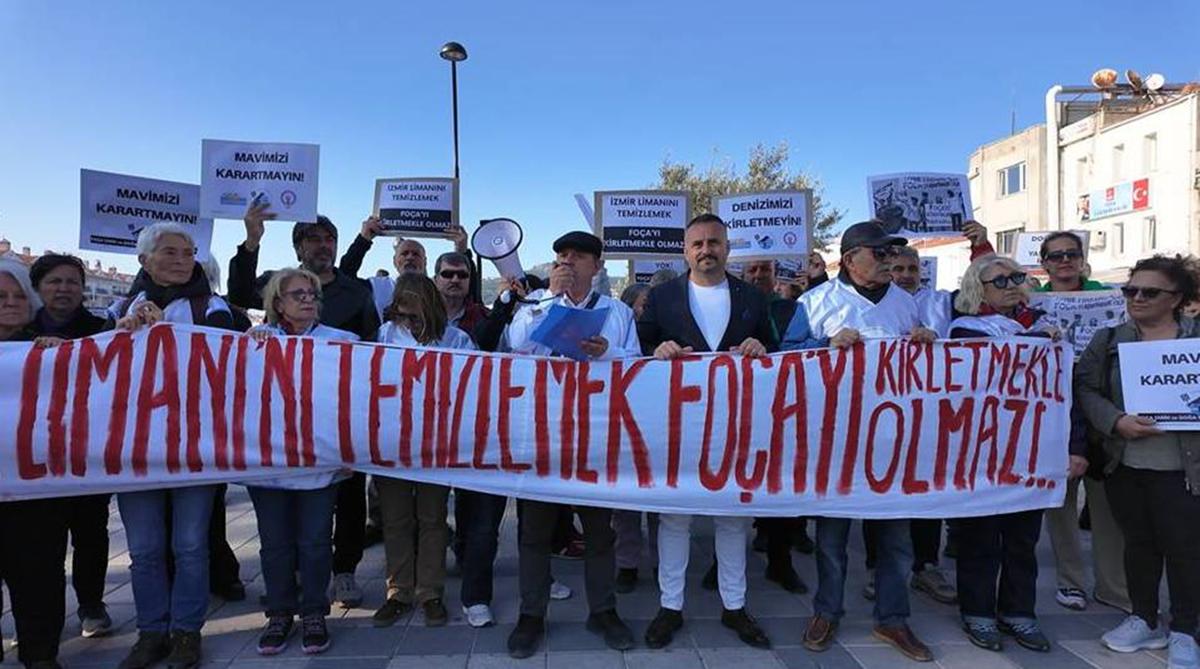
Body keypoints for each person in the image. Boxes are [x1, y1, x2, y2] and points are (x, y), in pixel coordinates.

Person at [791, 220, 936, 663]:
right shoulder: (815, 301)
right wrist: (823, 343)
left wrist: (928, 342)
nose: (890, 260)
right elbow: (786, 356)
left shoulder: (906, 303)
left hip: (893, 440)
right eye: (879, 252)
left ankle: (892, 617)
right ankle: (826, 611)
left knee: (896, 538)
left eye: (892, 253)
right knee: (832, 537)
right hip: (836, 438)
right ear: (851, 258)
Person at [228, 205, 380, 611]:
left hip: (337, 417)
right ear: (298, 247)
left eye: (329, 239)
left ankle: (343, 570)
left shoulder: (357, 291)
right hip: (286, 423)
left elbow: (372, 350)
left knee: (349, 499)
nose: (323, 245)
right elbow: (238, 294)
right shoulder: (278, 282)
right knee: (291, 508)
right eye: (314, 239)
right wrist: (252, 240)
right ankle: (291, 578)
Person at [637, 214, 774, 651]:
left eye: (714, 242)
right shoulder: (662, 297)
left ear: (727, 248)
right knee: (674, 517)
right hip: (678, 425)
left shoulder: (754, 297)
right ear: (685, 250)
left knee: (732, 517)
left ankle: (735, 606)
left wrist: (760, 347)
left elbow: (776, 350)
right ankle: (670, 606)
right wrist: (656, 349)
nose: (706, 250)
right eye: (697, 244)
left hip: (737, 424)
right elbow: (638, 347)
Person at [501, 231, 637, 659]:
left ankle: (603, 610)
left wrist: (606, 352)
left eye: (577, 256)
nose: (567, 262)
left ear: (596, 266)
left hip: (596, 436)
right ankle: (531, 614)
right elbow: (517, 346)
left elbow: (637, 364)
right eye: (561, 255)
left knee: (599, 531)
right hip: (542, 434)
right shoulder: (535, 305)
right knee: (535, 531)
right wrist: (547, 299)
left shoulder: (617, 313)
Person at [112, 223, 237, 669]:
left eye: (188, 252)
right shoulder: (119, 307)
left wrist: (167, 335)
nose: (183, 260)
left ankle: (186, 632)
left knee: (190, 545)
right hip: (136, 450)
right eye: (170, 252)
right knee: (144, 549)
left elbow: (223, 357)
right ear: (144, 260)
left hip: (193, 448)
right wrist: (120, 335)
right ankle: (151, 633)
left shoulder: (212, 307)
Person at [1075, 255, 1200, 668]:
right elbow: (1086, 389)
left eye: (1150, 292)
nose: (1137, 298)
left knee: (1184, 549)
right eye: (1131, 290)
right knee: (1138, 545)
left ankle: (1185, 629)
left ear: (1176, 298)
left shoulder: (1196, 339)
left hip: (1184, 468)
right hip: (1125, 464)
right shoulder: (1110, 340)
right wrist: (1115, 421)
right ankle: (1144, 617)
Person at [946, 255, 1062, 653]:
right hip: (981, 451)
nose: (1011, 285)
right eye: (999, 281)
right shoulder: (965, 331)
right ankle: (977, 611)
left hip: (1030, 450)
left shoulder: (1044, 325)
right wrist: (1037, 343)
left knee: (1022, 539)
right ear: (978, 290)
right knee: (980, 538)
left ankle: (1018, 611)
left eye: (1016, 277)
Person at [243, 268, 360, 656]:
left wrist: (351, 451)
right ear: (278, 303)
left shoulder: (342, 343)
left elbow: (355, 401)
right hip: (269, 465)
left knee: (314, 542)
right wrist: (248, 347)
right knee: (275, 544)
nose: (308, 299)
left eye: (312, 294)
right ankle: (279, 613)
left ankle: (313, 612)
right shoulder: (254, 343)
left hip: (319, 464)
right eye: (298, 294)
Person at [371, 275, 476, 630]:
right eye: (403, 315)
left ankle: (430, 592)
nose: (409, 323)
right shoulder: (384, 336)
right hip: (392, 443)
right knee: (396, 520)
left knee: (432, 519)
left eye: (416, 316)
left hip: (436, 444)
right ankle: (398, 591)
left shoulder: (457, 340)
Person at [1033, 231, 1128, 613]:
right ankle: (1070, 583)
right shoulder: (1031, 304)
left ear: (1082, 258)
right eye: (1056, 256)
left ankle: (1113, 587)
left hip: (1101, 409)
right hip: (1055, 412)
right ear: (1044, 263)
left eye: (1071, 254)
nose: (1065, 261)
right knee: (1061, 506)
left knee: (1107, 509)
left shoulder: (1110, 297)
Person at [27, 254, 115, 638]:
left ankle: (92, 605)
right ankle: (41, 616)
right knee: (41, 541)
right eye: (55, 282)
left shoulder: (101, 330)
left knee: (91, 533)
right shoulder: (17, 333)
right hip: (34, 455)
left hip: (86, 451)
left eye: (72, 282)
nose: (64, 289)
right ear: (38, 288)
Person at [0, 258, 71, 669]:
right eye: (0, 296)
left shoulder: (47, 350)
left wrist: (65, 359)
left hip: (35, 493)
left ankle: (41, 655)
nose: (11, 303)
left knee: (39, 578)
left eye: (18, 296)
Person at [739, 259, 807, 593]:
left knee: (780, 485)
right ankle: (721, 562)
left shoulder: (793, 309)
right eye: (751, 270)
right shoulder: (730, 306)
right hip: (738, 409)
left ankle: (780, 562)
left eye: (763, 270)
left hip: (781, 408)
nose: (757, 276)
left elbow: (806, 348)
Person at [611, 282, 659, 594]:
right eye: (642, 305)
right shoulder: (620, 335)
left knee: (659, 501)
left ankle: (660, 561)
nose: (646, 311)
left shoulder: (661, 335)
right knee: (625, 503)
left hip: (657, 426)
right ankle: (627, 563)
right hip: (625, 425)